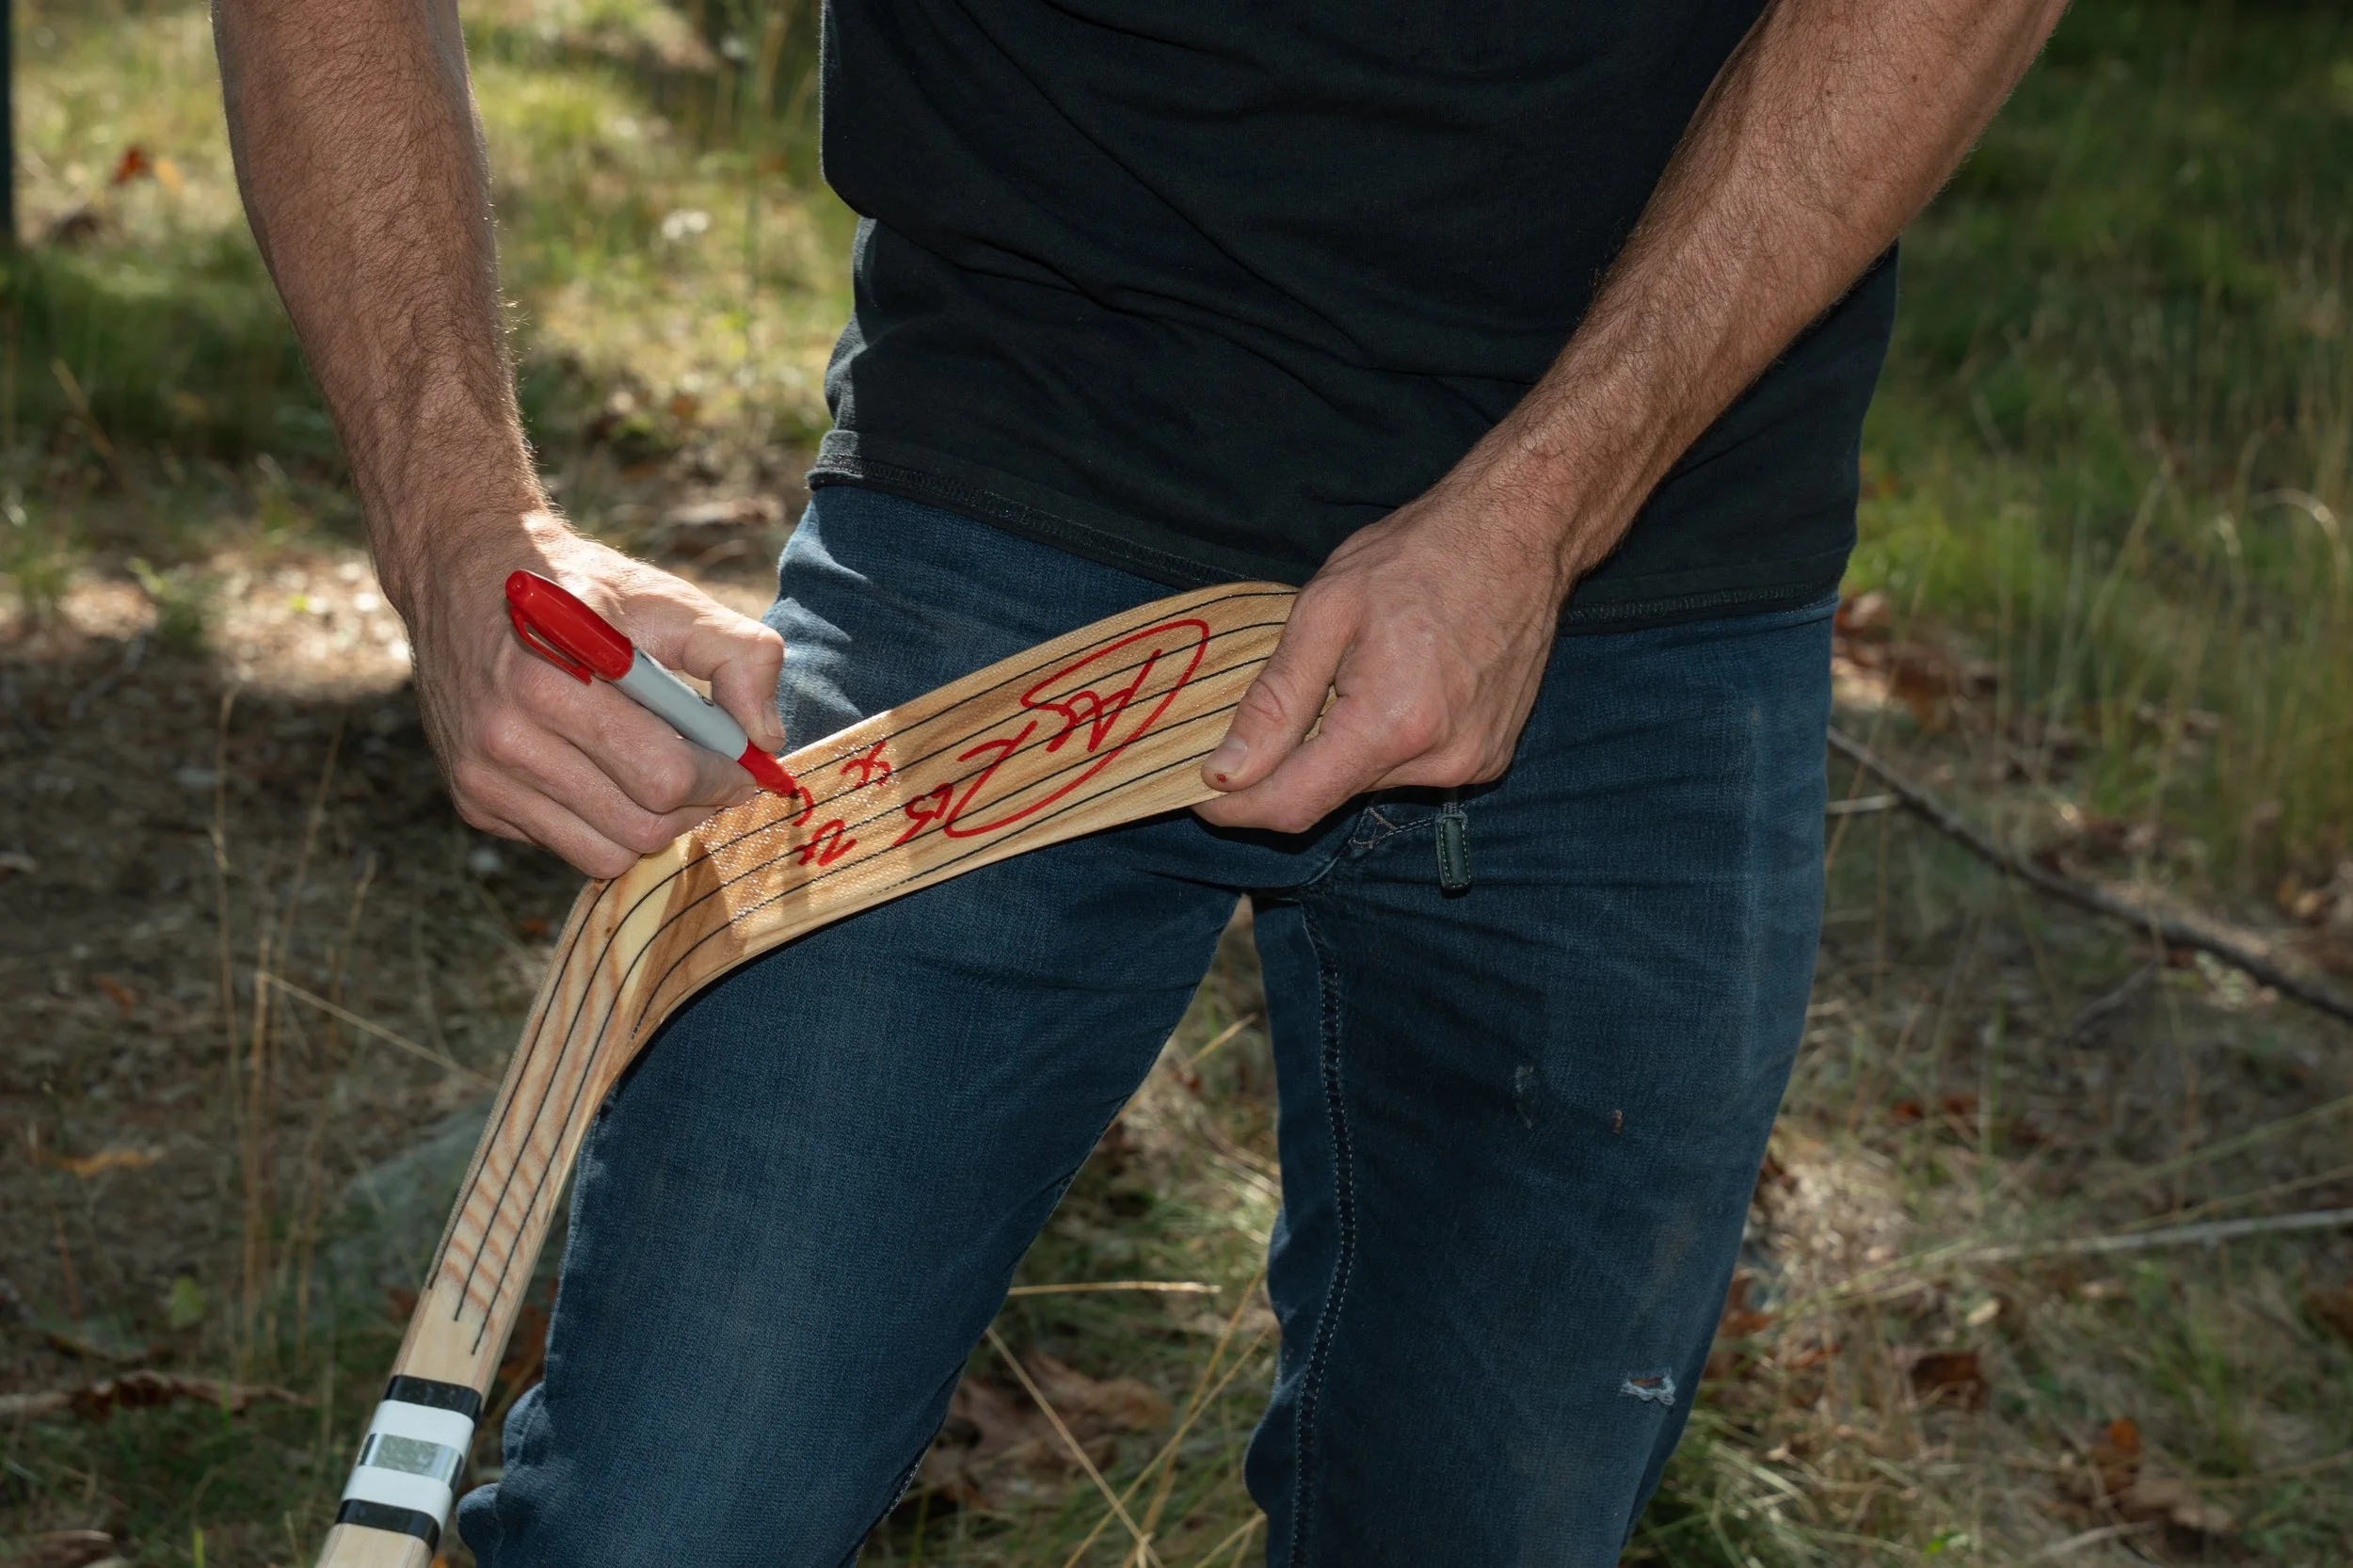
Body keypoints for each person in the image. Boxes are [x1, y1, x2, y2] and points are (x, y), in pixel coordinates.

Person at [217, 0, 2064, 1560]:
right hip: (1006, 513)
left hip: (1644, 564)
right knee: (671, 1509)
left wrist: (1547, 509)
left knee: (1485, 1516)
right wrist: (456, 519)